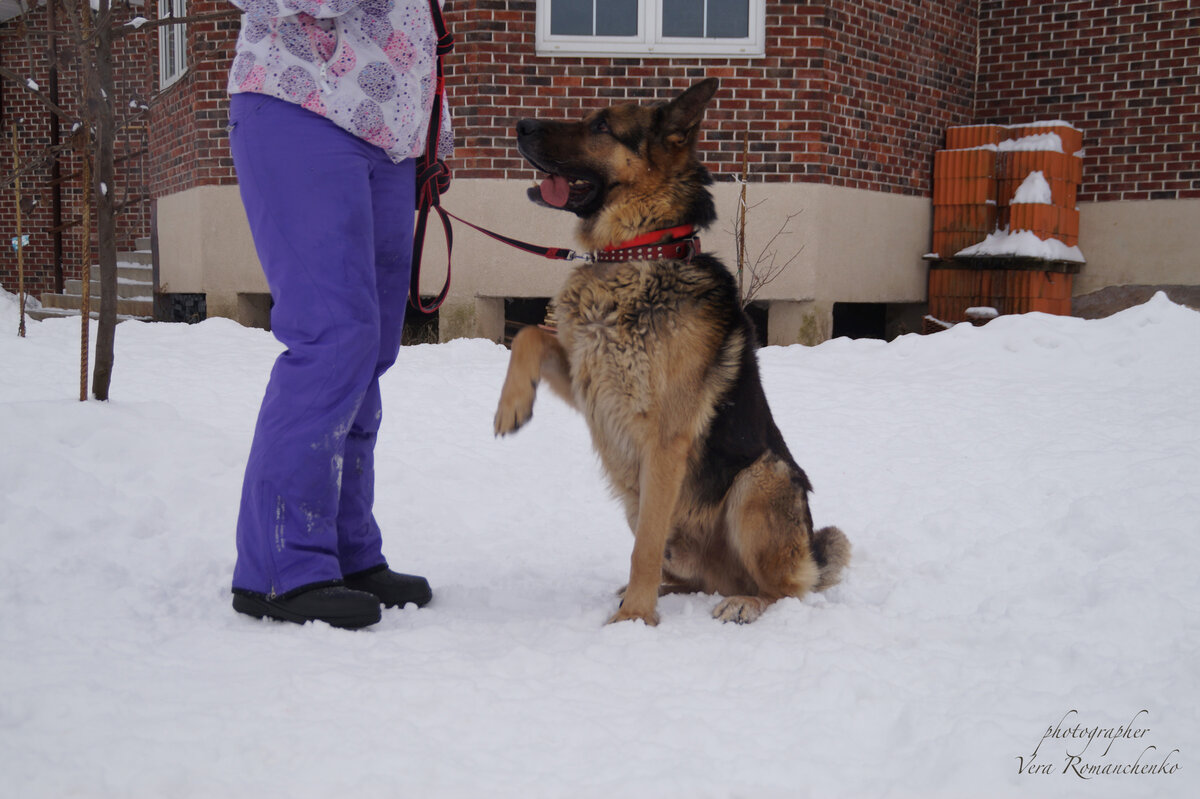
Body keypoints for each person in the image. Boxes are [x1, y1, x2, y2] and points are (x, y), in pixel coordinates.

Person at [225, 0, 452, 629]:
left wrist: (431, 135)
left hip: (390, 133)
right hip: (301, 101)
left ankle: (345, 550)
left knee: (371, 347)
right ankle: (280, 564)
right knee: (333, 338)